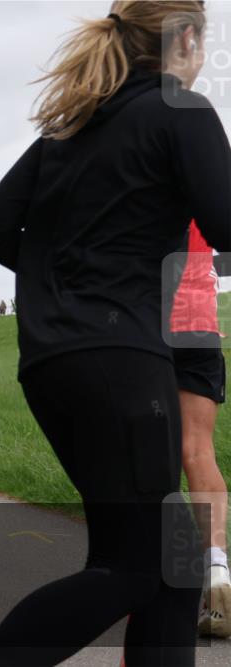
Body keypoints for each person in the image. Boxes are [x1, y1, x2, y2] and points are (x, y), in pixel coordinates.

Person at [0, 3, 229, 664]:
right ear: (188, 38)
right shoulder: (181, 109)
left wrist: (68, 280)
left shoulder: (72, 122)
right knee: (136, 567)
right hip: (122, 364)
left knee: (172, 561)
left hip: (55, 363)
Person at [169, 221, 230, 638]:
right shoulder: (208, 180)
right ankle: (217, 567)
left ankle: (157, 576)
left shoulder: (148, 167)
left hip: (147, 320)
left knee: (152, 453)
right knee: (198, 450)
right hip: (201, 322)